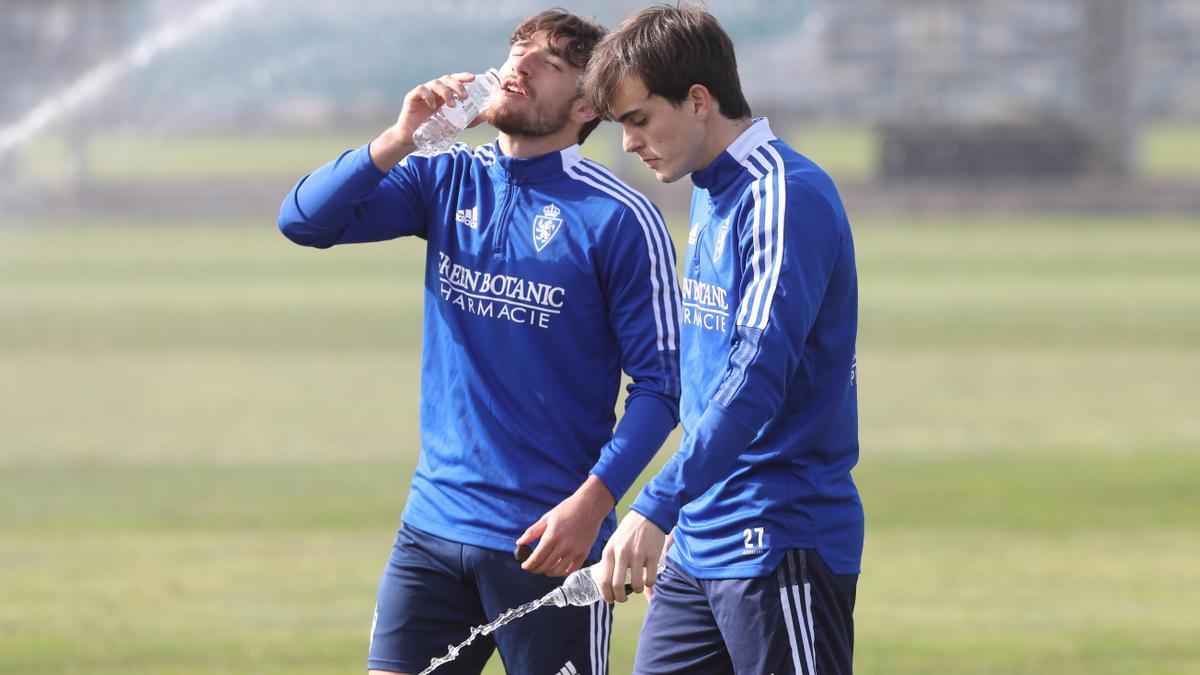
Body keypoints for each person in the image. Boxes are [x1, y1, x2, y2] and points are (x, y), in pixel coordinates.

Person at [278, 10, 681, 675]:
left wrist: (595, 502)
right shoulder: (445, 178)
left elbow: (663, 388)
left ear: (586, 103)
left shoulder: (619, 217)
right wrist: (401, 136)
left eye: (547, 63)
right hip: (432, 529)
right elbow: (303, 221)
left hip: (550, 540)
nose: (518, 66)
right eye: (516, 51)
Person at [583, 5, 863, 674]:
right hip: (700, 538)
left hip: (777, 535)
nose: (627, 142)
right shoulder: (711, 189)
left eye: (639, 119)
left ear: (699, 100)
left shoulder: (784, 196)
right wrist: (678, 513)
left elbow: (754, 376)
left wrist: (655, 502)